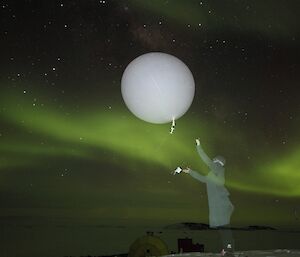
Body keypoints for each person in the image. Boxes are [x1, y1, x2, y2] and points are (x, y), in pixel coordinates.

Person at [182, 138, 235, 256]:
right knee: (223, 227)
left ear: (217, 162)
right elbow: (203, 179)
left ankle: (229, 249)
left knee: (225, 228)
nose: (212, 162)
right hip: (220, 205)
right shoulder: (213, 175)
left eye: (214, 161)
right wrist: (190, 171)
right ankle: (227, 249)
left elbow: (206, 161)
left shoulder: (217, 168)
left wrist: (199, 146)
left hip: (221, 204)